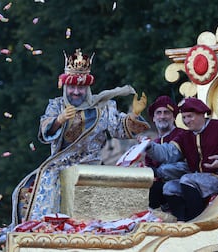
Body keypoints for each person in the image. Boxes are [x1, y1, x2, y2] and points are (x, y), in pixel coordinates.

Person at [10, 48, 150, 226]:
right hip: (59, 166)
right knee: (25, 190)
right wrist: (59, 120)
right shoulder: (56, 105)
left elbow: (120, 130)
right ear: (66, 87)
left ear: (88, 88)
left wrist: (134, 116)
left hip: (92, 166)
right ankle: (41, 230)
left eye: (81, 87)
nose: (76, 92)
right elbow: (45, 131)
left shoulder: (104, 107)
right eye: (72, 87)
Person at [144, 97, 218, 221]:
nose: (186, 121)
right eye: (184, 117)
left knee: (188, 179)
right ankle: (182, 221)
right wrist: (149, 147)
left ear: (202, 114)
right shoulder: (185, 136)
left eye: (190, 116)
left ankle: (196, 221)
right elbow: (168, 153)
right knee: (169, 187)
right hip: (200, 180)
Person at [145, 95, 188, 212]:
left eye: (166, 113)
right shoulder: (152, 143)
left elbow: (187, 167)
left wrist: (158, 173)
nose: (162, 116)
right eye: (158, 113)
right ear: (153, 118)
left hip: (180, 189)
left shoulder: (183, 135)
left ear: (174, 117)